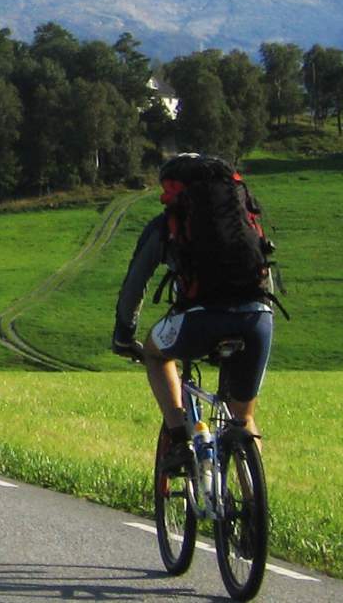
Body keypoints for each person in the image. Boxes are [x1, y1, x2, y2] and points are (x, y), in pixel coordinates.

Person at [112, 153, 275, 470]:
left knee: (156, 354)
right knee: (243, 419)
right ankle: (253, 507)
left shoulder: (167, 225)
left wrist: (124, 334)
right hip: (256, 319)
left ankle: (179, 438)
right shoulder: (246, 219)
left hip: (199, 319)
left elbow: (135, 284)